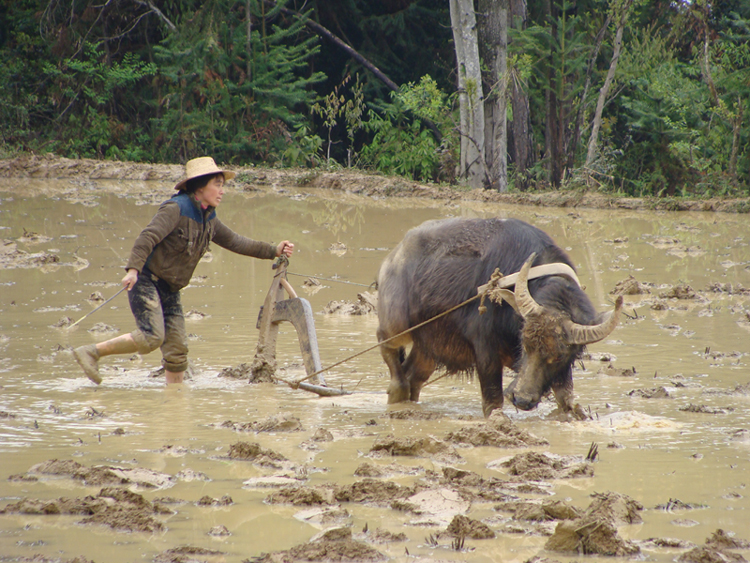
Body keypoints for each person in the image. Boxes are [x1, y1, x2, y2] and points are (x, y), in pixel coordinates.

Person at [73, 156, 294, 385]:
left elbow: (235, 241)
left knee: (177, 353)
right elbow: (148, 236)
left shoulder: (208, 218)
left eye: (223, 185)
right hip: (147, 280)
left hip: (170, 289)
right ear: (200, 186)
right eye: (217, 184)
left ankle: (174, 403)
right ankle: (92, 352)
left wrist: (273, 250)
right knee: (152, 336)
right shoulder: (176, 208)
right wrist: (132, 270)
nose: (222, 191)